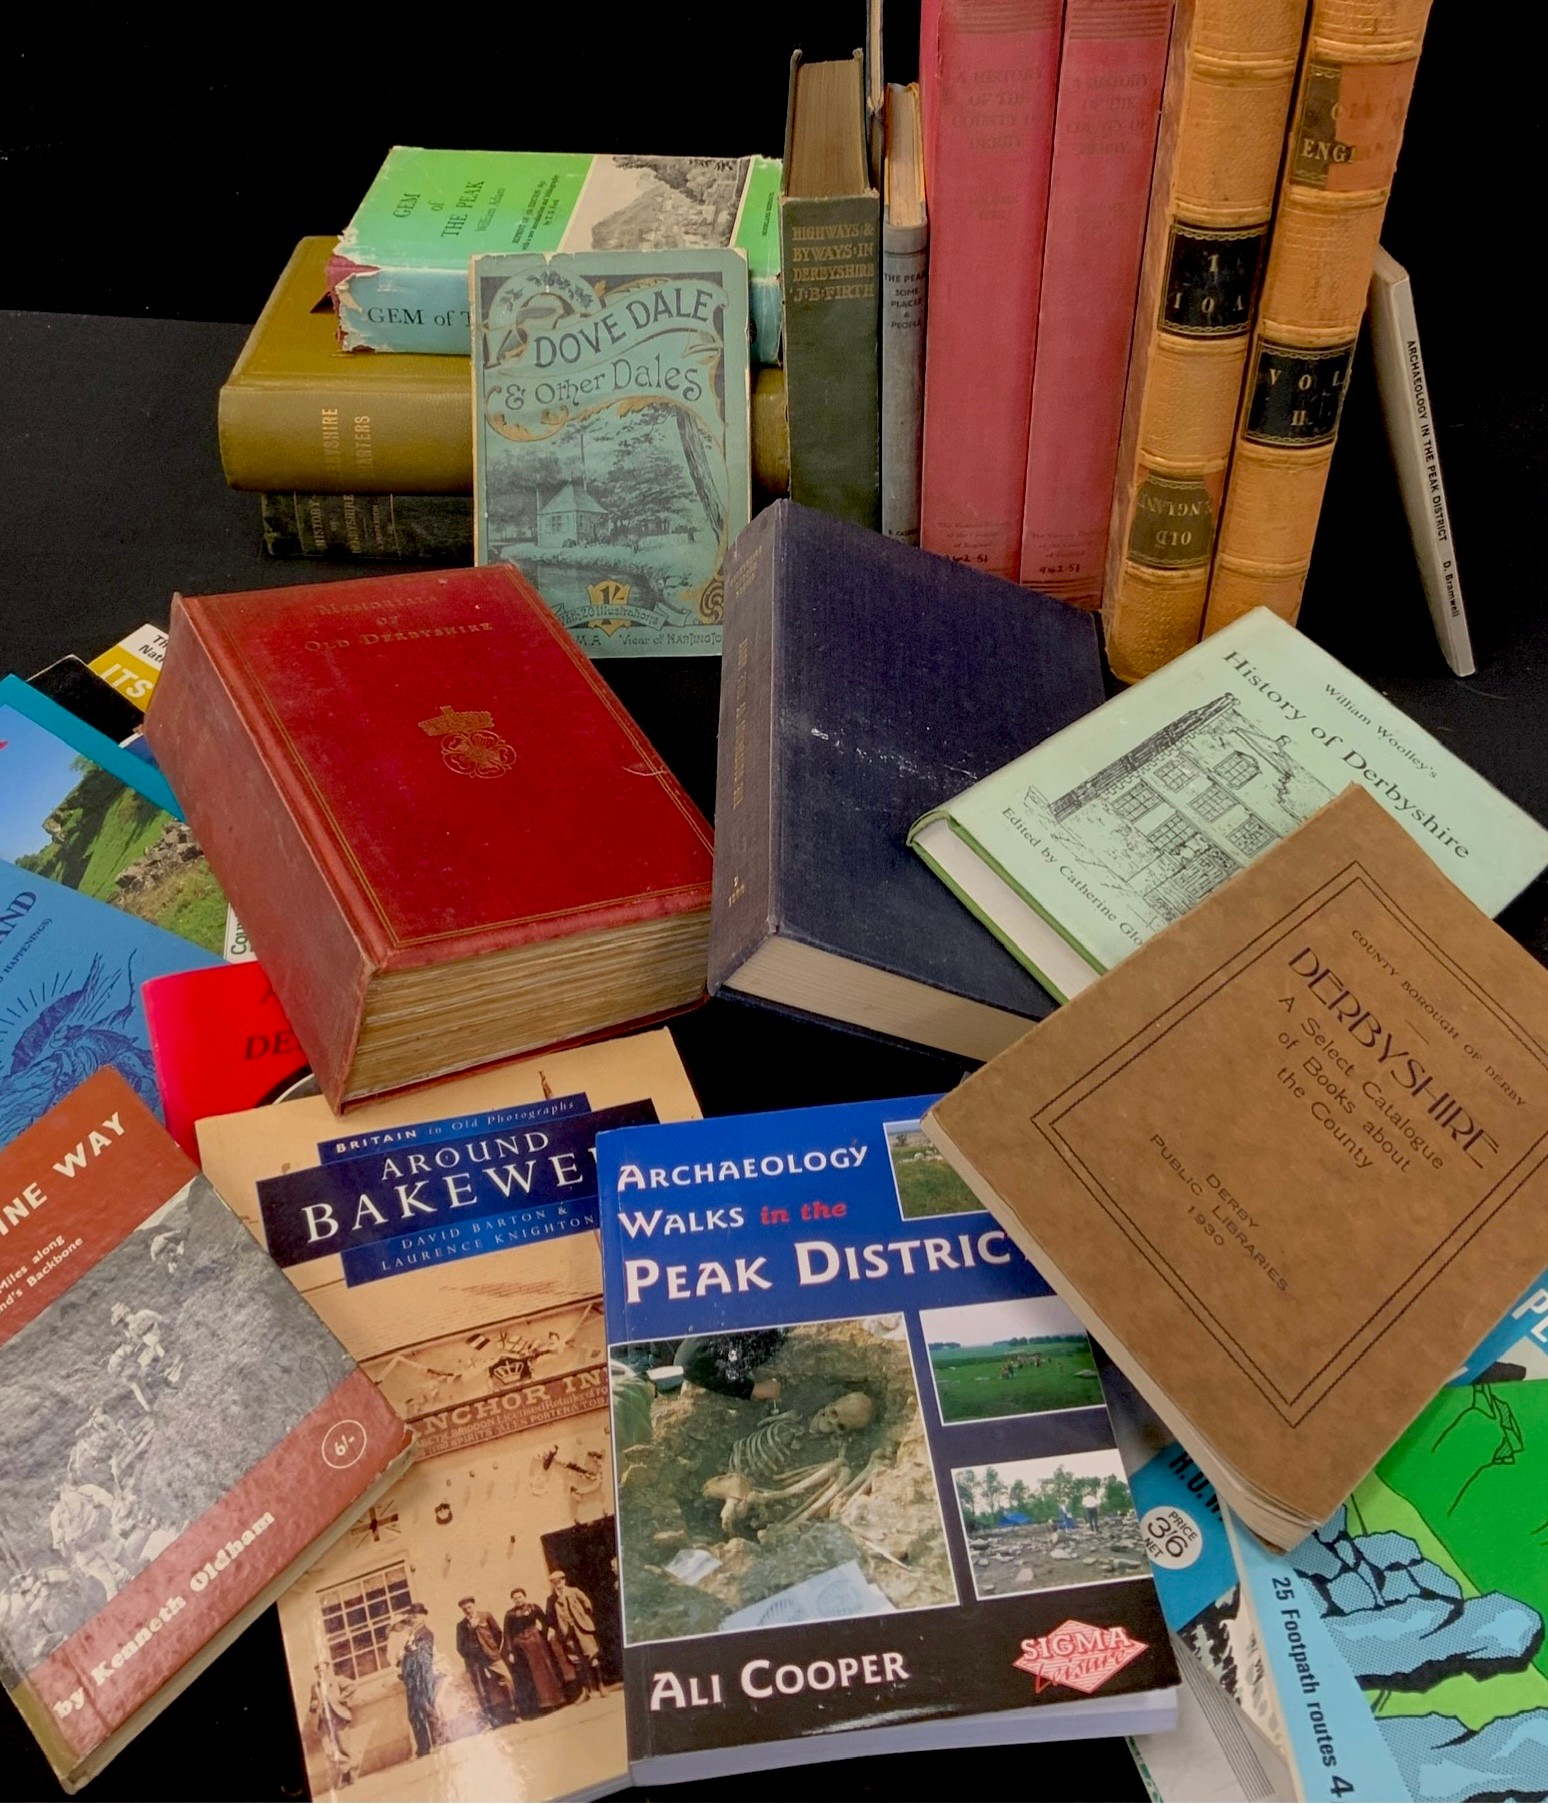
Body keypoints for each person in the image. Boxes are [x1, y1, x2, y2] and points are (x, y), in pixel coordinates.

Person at [502, 1586, 566, 1719]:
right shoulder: (510, 1615)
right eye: (515, 1598)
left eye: (520, 1597)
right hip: (521, 1647)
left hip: (537, 1643)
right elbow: (507, 1634)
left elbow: (545, 1622)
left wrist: (543, 1635)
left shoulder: (534, 1608)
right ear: (512, 1600)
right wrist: (510, 1651)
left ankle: (557, 1700)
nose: (518, 1600)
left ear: (524, 1597)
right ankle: (542, 1704)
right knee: (532, 1674)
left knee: (546, 1669)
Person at [544, 1568, 602, 1701]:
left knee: (591, 1655)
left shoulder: (574, 1591)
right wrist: (559, 1628)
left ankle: (600, 1685)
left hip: (582, 1629)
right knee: (576, 1660)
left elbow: (588, 1605)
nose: (558, 1584)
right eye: (554, 1582)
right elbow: (550, 1617)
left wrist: (582, 1618)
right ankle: (586, 1690)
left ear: (564, 1580)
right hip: (567, 1633)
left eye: (559, 1581)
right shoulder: (551, 1599)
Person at [455, 1595, 509, 1727]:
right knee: (481, 1690)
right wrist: (471, 1655)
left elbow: (498, 1633)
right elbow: (460, 1647)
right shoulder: (461, 1625)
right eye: (464, 1609)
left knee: (507, 1680)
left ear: (474, 1605)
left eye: (469, 1607)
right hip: (475, 1661)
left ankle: (514, 1712)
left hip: (491, 1656)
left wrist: (493, 1649)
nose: (468, 1611)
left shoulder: (486, 1616)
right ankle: (491, 1720)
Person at [394, 1603, 440, 1759]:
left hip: (423, 1676)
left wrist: (410, 1653)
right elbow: (405, 1657)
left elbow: (425, 1657)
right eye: (412, 1616)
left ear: (423, 1616)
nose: (413, 1619)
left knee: (428, 1709)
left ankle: (437, 1742)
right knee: (414, 1714)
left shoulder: (426, 1634)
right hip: (411, 1680)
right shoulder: (409, 1636)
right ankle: (423, 1747)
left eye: (417, 1616)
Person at [307, 1660, 360, 1789]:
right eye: (318, 1671)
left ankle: (349, 1775)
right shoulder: (315, 1687)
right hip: (326, 1720)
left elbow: (352, 1686)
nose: (320, 1673)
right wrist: (313, 1705)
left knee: (344, 1746)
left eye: (322, 1670)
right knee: (332, 1750)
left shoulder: (336, 1680)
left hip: (338, 1717)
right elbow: (312, 1703)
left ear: (327, 1669)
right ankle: (348, 1769)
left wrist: (341, 1699)